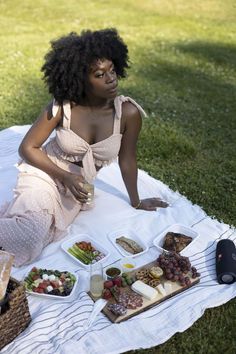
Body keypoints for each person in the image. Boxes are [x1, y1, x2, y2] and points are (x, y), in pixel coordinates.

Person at [0, 28, 168, 267]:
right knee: (29, 236)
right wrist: (65, 176)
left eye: (112, 70)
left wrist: (136, 201)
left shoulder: (127, 113)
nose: (111, 78)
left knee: (42, 237)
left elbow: (127, 160)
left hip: (77, 188)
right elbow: (28, 148)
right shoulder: (62, 107)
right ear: (80, 78)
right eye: (100, 74)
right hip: (45, 172)